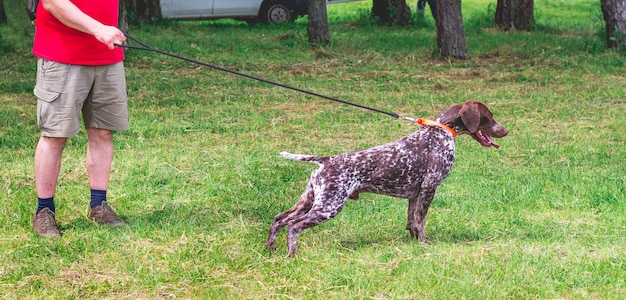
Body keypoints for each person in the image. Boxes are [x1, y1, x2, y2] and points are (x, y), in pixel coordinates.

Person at [31, 0, 128, 237]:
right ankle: (44, 211)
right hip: (61, 54)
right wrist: (98, 29)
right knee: (55, 135)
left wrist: (105, 33)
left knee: (103, 131)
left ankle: (99, 206)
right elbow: (54, 3)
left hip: (106, 54)